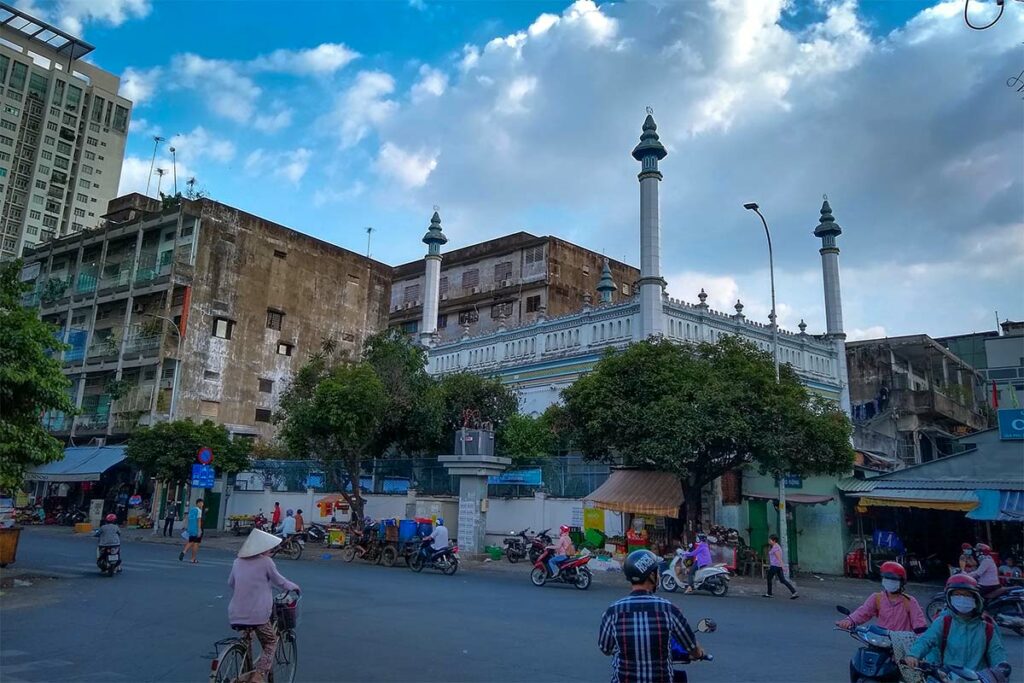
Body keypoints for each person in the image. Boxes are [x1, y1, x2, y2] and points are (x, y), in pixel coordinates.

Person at [599, 549, 703, 683]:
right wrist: (699, 653)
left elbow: (605, 648)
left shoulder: (612, 611)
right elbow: (691, 647)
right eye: (657, 571)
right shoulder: (669, 610)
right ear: (651, 576)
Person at [228, 529, 300, 683]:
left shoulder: (237, 562)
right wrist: (294, 587)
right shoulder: (266, 562)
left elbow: (231, 583)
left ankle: (244, 672)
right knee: (270, 642)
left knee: (247, 638)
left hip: (236, 613)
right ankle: (259, 675)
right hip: (258, 615)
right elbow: (280, 581)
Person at [903, 574, 1010, 679]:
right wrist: (913, 655)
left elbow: (997, 654)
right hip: (947, 677)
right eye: (957, 595)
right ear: (950, 599)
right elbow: (927, 640)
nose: (962, 599)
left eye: (967, 595)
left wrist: (1001, 670)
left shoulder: (987, 628)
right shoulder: (944, 622)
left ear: (976, 599)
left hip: (978, 679)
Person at [836, 561, 927, 633]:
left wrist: (921, 642)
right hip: (880, 641)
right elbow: (863, 612)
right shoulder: (877, 598)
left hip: (901, 644)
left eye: (893, 580)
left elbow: (920, 625)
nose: (890, 582)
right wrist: (849, 621)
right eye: (887, 579)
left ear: (902, 582)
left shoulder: (909, 601)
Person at [764, 534, 798, 599]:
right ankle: (794, 592)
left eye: (770, 540)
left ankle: (769, 593)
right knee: (782, 580)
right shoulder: (775, 547)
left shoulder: (776, 548)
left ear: (774, 540)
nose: (769, 541)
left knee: (769, 578)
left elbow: (779, 558)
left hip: (775, 566)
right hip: (777, 566)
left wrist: (783, 566)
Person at [180, 499, 205, 564]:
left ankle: (184, 551)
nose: (202, 505)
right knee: (196, 544)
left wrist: (185, 526)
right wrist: (199, 530)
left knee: (191, 541)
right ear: (198, 503)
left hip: (190, 528)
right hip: (196, 529)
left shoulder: (191, 510)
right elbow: (198, 520)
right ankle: (193, 559)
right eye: (202, 503)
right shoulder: (199, 511)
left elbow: (187, 518)